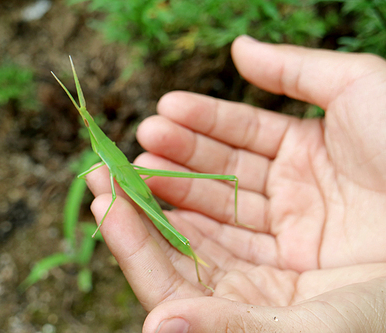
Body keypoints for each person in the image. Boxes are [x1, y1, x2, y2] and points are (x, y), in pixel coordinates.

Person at [85, 35, 386, 332]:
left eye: (88, 122)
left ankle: (200, 242)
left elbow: (114, 189)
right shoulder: (104, 152)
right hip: (133, 182)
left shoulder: (104, 154)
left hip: (136, 186)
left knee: (151, 189)